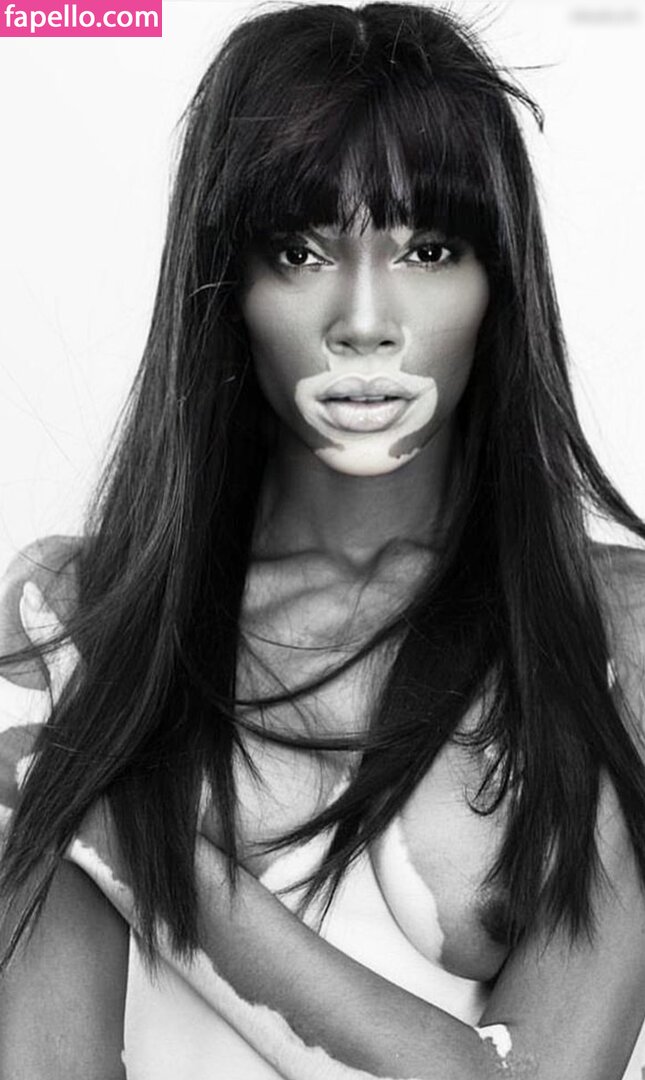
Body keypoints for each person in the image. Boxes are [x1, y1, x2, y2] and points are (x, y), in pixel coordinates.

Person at [1, 2, 645, 1077]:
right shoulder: (79, 617)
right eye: (299, 251)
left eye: (428, 248)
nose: (365, 322)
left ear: (499, 283)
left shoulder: (614, 629)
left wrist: (138, 849)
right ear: (226, 285)